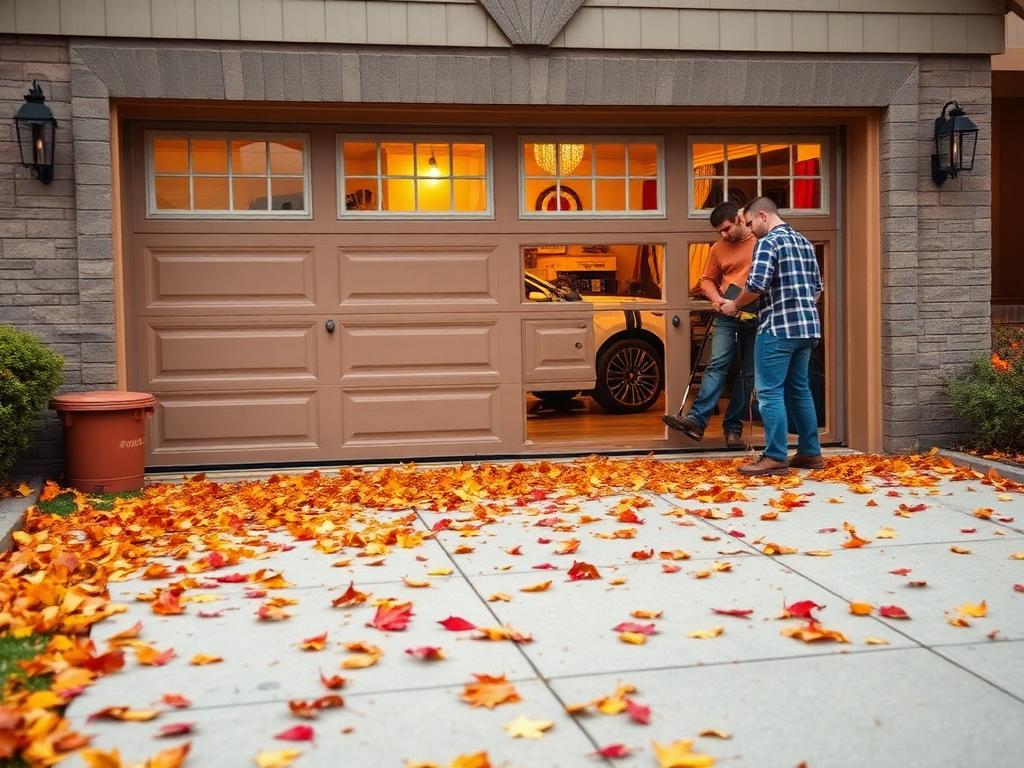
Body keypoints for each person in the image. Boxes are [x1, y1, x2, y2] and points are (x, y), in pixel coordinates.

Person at [720, 196, 823, 476]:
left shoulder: (768, 242)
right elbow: (817, 289)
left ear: (764, 216)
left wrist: (734, 304)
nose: (750, 230)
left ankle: (776, 456)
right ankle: (811, 452)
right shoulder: (803, 242)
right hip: (807, 329)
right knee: (800, 389)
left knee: (769, 392)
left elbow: (756, 285)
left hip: (777, 329)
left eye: (751, 223)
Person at [664, 202, 757, 450]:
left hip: (756, 314)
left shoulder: (761, 242)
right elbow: (706, 280)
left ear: (738, 220)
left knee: (748, 374)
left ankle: (733, 428)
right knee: (717, 364)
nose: (723, 235)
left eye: (726, 229)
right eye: (719, 232)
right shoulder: (718, 248)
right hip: (726, 312)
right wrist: (716, 299)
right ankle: (697, 420)